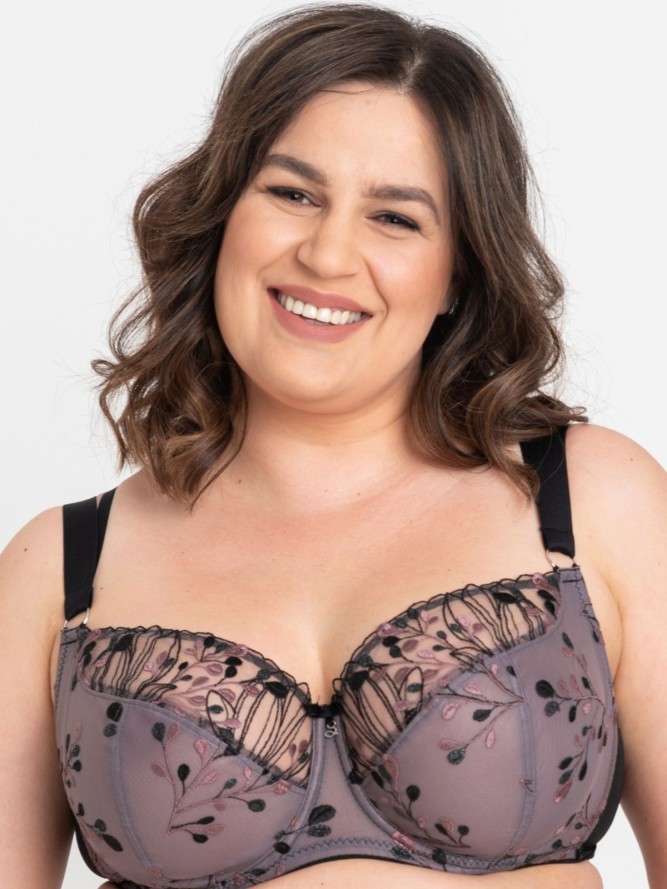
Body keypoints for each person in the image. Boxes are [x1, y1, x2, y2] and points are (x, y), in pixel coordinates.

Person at [1, 4, 665, 888]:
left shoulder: (592, 502)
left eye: (394, 217)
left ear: (457, 271)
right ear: (221, 214)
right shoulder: (58, 568)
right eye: (292, 194)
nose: (326, 254)